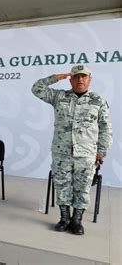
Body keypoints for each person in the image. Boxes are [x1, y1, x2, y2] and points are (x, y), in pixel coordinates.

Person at [32, 65, 112, 235]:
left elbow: (105, 128)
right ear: (71, 79)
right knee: (62, 185)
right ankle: (64, 218)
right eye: (76, 77)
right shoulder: (59, 96)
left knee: (82, 187)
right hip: (62, 153)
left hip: (87, 154)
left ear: (90, 79)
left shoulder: (98, 101)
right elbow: (36, 88)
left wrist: (101, 151)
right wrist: (55, 77)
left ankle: (77, 220)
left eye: (84, 76)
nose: (80, 79)